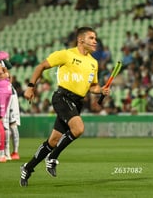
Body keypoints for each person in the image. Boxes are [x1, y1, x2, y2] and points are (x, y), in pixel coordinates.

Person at [20, 26, 111, 187]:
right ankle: (52, 158)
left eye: (95, 38)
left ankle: (27, 167)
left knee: (53, 140)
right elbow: (41, 66)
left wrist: (101, 89)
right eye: (92, 38)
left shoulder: (93, 63)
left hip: (77, 102)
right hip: (62, 97)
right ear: (80, 39)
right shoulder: (66, 54)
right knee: (78, 129)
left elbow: (93, 86)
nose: (95, 41)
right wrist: (30, 86)